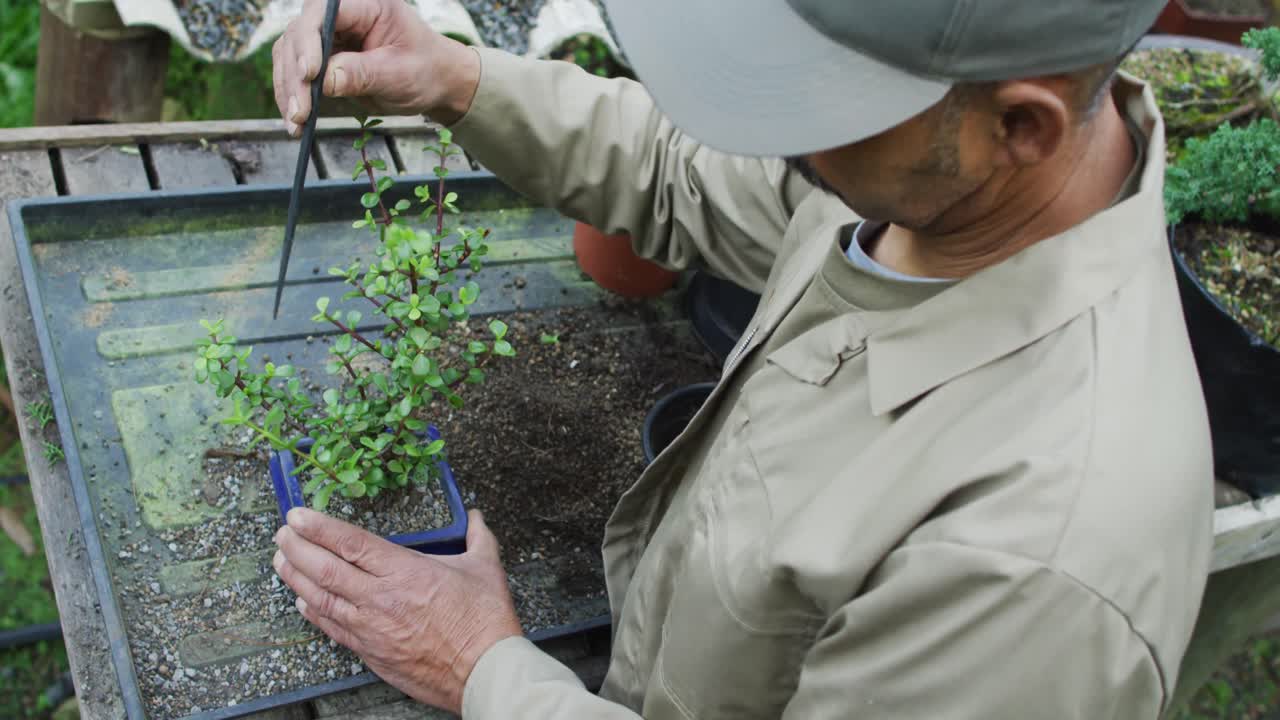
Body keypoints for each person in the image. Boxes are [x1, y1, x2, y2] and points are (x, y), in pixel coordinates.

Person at [268, 1, 1215, 717]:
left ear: (1021, 127)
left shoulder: (1038, 570)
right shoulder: (937, 180)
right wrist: (452, 77)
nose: (773, 127)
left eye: (818, 93)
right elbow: (687, 170)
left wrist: (485, 670)